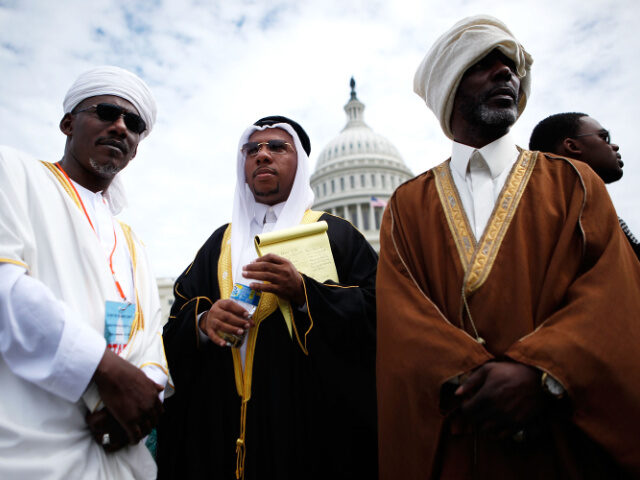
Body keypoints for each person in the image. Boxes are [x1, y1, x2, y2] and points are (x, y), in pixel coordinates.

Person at [376, 15, 640, 479]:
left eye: (510, 65)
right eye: (483, 64)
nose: (506, 73)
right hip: (458, 434)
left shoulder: (574, 183)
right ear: (448, 87)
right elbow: (402, 318)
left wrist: (540, 372)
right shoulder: (405, 205)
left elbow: (612, 295)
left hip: (558, 440)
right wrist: (471, 380)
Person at [158, 115, 378, 480]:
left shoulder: (338, 236)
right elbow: (174, 320)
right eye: (252, 149)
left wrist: (305, 293)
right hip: (219, 431)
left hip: (310, 432)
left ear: (302, 163)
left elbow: (377, 315)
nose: (263, 155)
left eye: (277, 147)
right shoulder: (218, 244)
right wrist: (202, 322)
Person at [0, 66, 170, 479]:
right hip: (29, 448)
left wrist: (142, 395)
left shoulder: (132, 243)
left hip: (118, 448)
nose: (120, 127)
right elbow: (7, 288)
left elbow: (149, 341)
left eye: (133, 123)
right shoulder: (13, 173)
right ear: (68, 122)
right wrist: (104, 373)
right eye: (106, 112)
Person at [529, 112, 640, 259]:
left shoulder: (594, 210)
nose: (614, 146)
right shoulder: (555, 214)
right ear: (572, 146)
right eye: (604, 138)